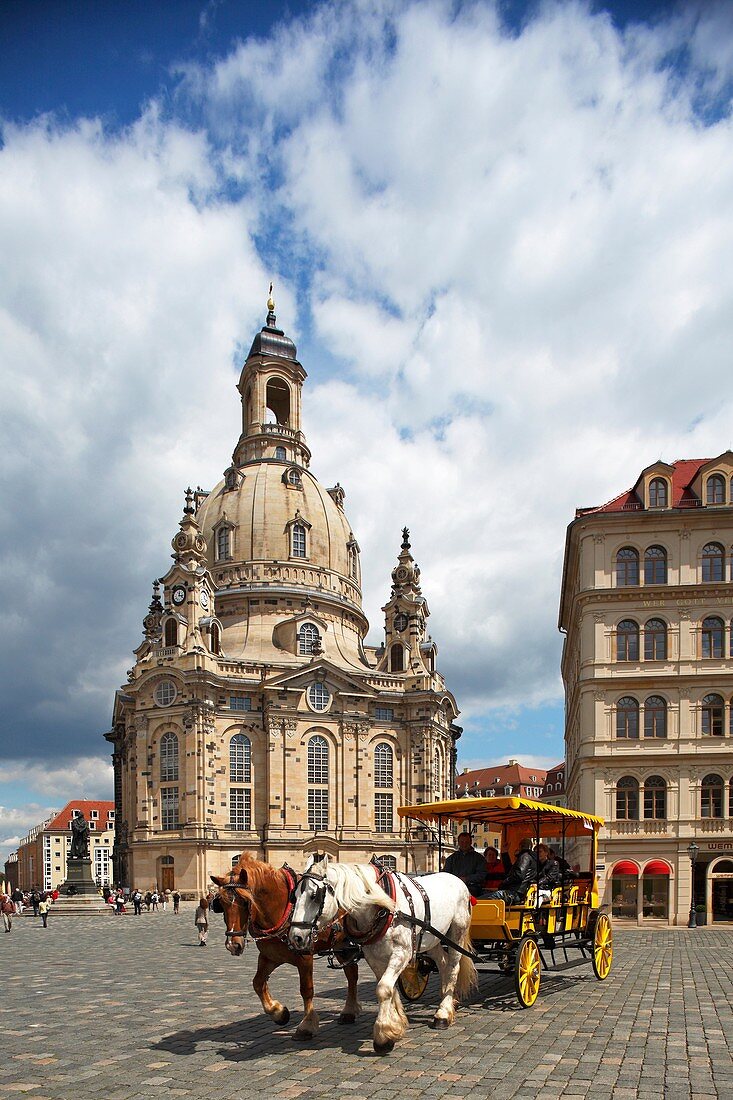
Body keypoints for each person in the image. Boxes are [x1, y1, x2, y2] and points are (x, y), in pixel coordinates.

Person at [481, 838, 537, 904]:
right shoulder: (529, 857)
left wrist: (504, 882)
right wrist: (505, 853)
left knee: (481, 900)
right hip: (518, 892)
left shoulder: (525, 857)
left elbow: (518, 875)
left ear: (520, 847)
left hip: (515, 893)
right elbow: (511, 870)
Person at [443, 832, 488, 896]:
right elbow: (446, 875)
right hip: (454, 888)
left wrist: (467, 879)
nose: (464, 844)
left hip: (473, 889)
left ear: (470, 842)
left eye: (466, 842)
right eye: (462, 842)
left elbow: (482, 875)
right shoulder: (451, 859)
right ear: (458, 843)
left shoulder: (479, 858)